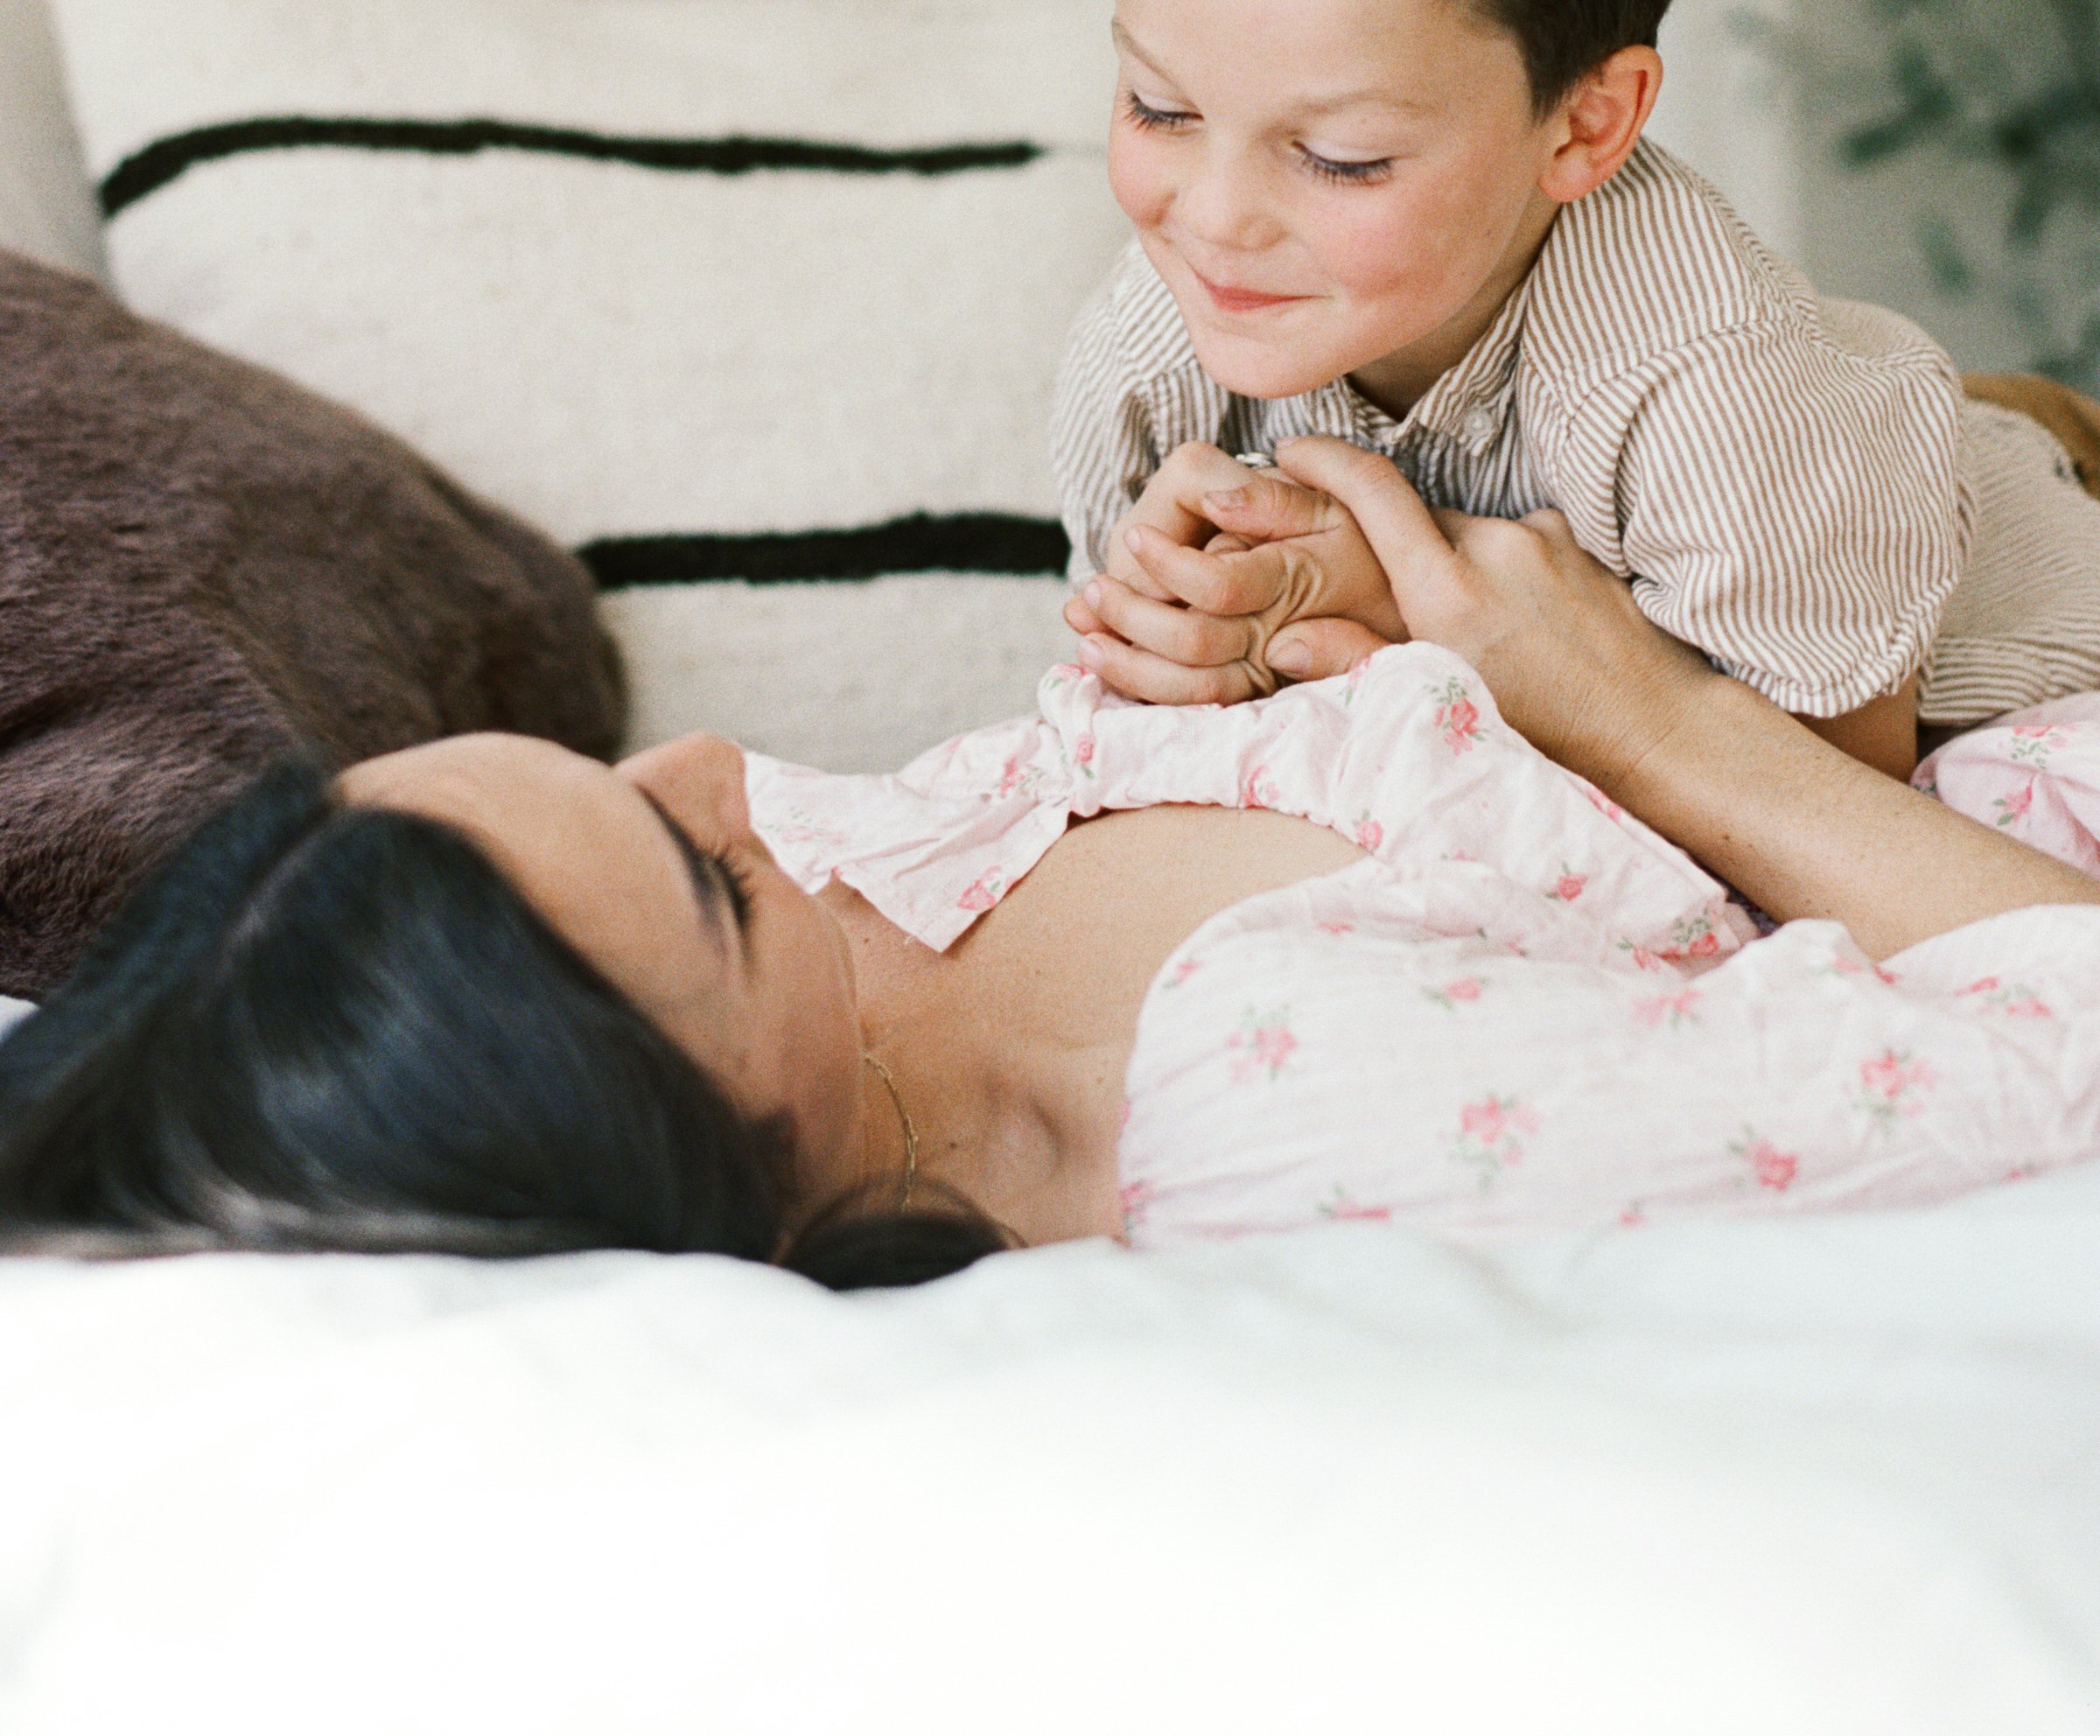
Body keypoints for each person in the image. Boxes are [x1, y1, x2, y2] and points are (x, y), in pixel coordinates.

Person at [7, 447, 2100, 1271]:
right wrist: (1635, 711)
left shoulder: (828, 900)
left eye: (618, 761)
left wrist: (1267, 617)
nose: (732, 762)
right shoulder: (1288, 1093)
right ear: (724, 1164)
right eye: (701, 868)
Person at [1054, 0, 2100, 774]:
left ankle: (2037, 423)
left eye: (1342, 158)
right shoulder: (1148, 355)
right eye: (1161, 106)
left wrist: (1406, 606)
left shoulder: (1715, 397)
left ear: (1585, 126)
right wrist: (1181, 634)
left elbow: (1831, 807)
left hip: (1955, 682)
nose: (1217, 215)